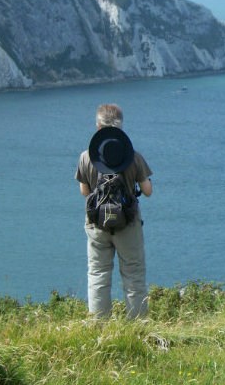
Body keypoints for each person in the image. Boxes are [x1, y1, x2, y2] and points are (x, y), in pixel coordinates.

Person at [75, 104, 153, 319]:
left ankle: (100, 326)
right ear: (120, 127)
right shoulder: (133, 156)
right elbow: (148, 191)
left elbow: (84, 192)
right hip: (127, 224)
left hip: (97, 224)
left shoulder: (86, 157)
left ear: (98, 126)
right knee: (133, 275)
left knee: (98, 274)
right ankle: (137, 325)